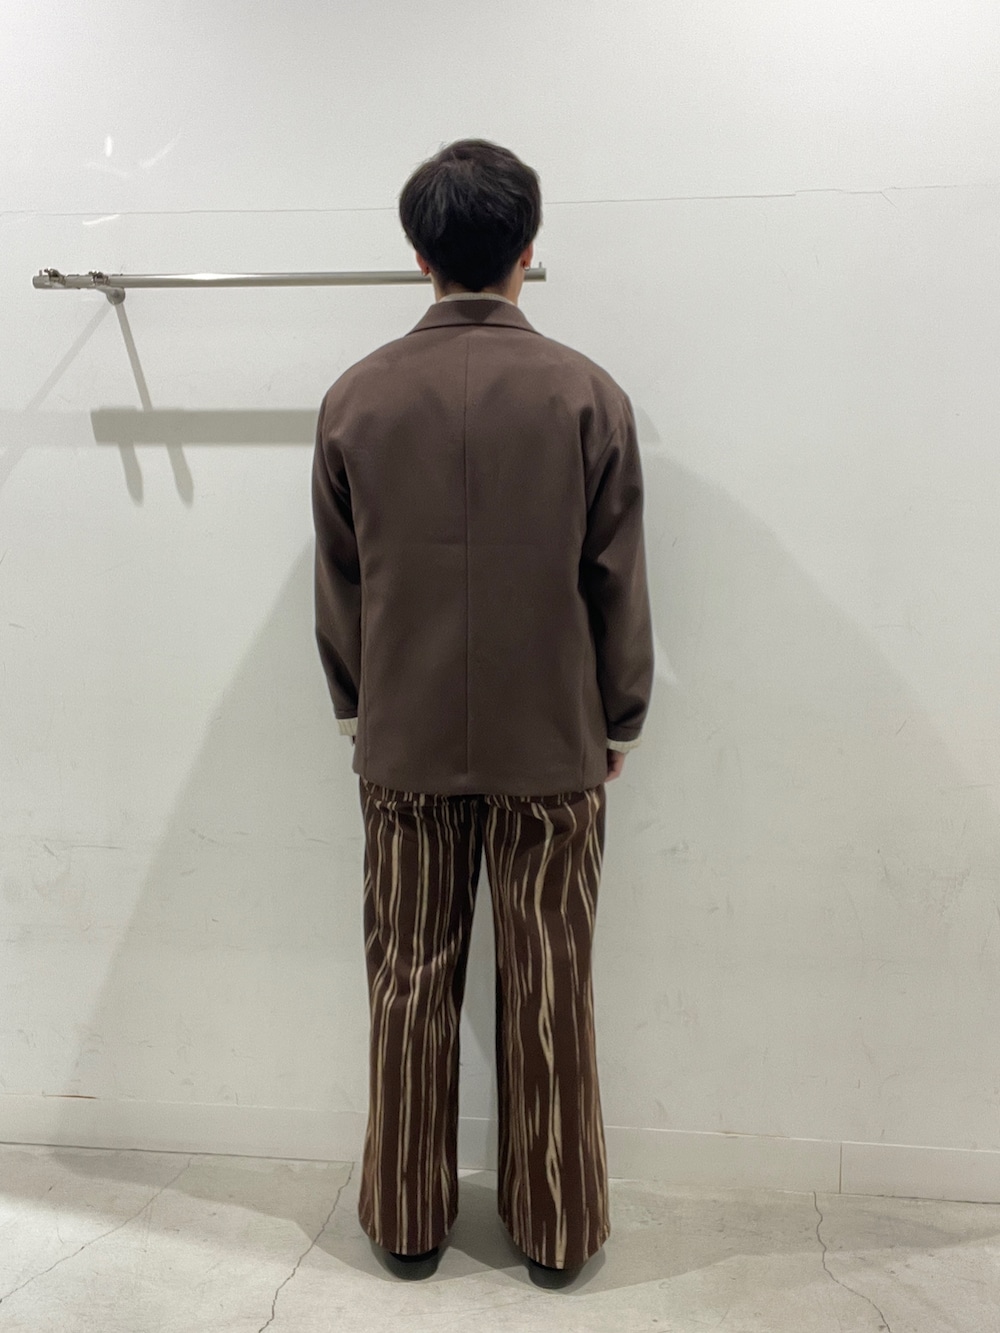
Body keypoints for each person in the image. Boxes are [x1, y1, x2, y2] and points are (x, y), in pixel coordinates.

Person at [311, 138, 654, 1279]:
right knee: (550, 982)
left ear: (419, 254)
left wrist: (360, 709)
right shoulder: (587, 394)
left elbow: (342, 583)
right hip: (551, 744)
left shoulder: (356, 397)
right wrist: (619, 718)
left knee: (407, 980)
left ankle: (407, 1221)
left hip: (404, 744)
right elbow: (616, 577)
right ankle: (555, 1225)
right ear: (527, 247)